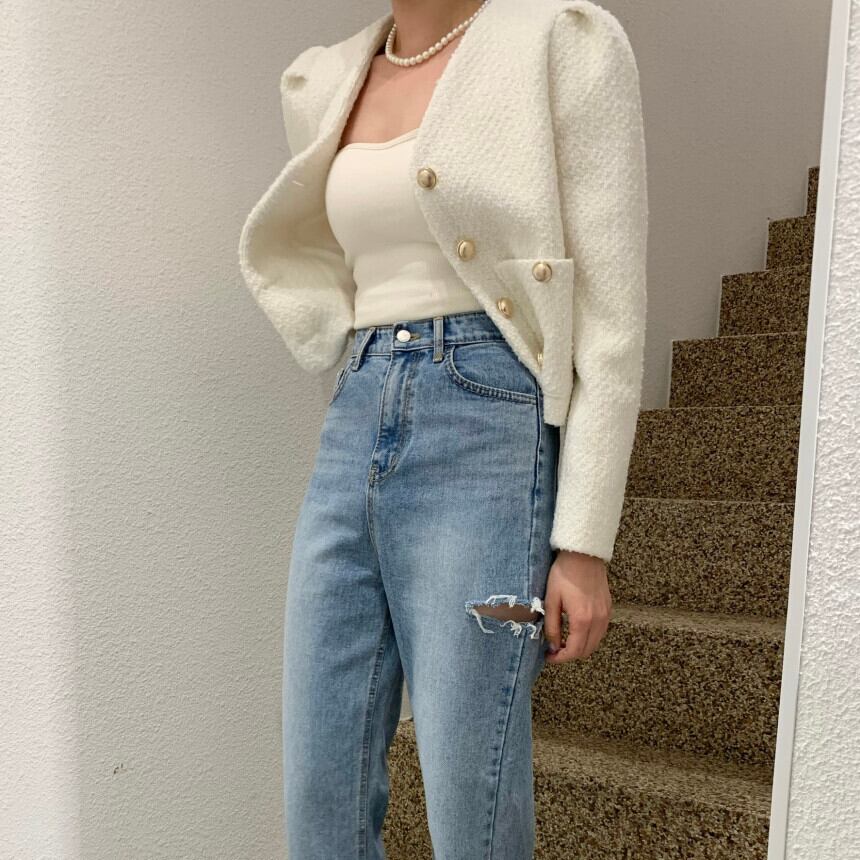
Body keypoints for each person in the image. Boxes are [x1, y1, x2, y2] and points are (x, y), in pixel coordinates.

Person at [237, 0, 648, 855]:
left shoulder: (561, 42)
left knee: (472, 795)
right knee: (320, 792)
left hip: (487, 424)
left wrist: (584, 544)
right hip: (355, 416)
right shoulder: (328, 77)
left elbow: (612, 316)